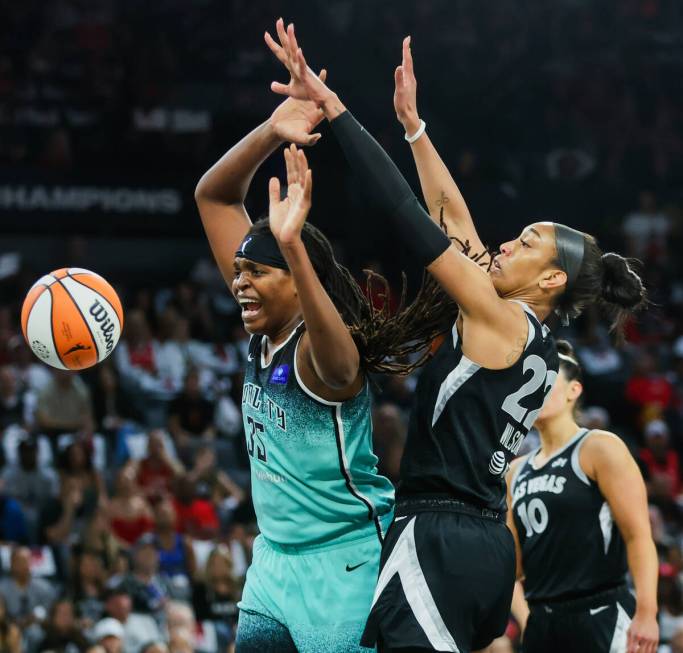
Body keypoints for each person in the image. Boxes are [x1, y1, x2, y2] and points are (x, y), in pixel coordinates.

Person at [265, 21, 647, 652]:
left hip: (438, 535)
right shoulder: (528, 332)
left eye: (526, 244)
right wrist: (414, 128)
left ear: (551, 277)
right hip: (484, 546)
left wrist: (335, 110)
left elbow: (413, 220)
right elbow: (457, 218)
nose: (506, 243)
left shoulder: (500, 316)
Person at [194, 59, 453, 651]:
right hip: (273, 562)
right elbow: (212, 195)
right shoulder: (263, 330)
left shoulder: (320, 354)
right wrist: (269, 130)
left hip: (345, 563)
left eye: (257, 273)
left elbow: (344, 367)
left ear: (295, 281)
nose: (239, 283)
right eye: (238, 272)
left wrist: (293, 246)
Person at [507, 341, 658, 652]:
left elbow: (638, 535)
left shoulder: (599, 447)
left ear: (573, 391)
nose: (536, 392)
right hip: (543, 624)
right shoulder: (515, 471)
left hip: (600, 613)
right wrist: (526, 620)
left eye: (547, 383)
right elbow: (512, 567)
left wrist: (646, 612)